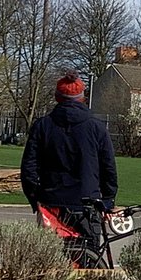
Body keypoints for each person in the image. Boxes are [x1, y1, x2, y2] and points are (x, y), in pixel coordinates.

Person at [20, 72, 118, 255]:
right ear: (82, 97)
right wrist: (108, 200)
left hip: (52, 202)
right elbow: (109, 168)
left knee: (49, 260)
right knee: (88, 259)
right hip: (87, 203)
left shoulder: (43, 126)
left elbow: (28, 168)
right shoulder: (96, 127)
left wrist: (36, 198)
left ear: (57, 97)